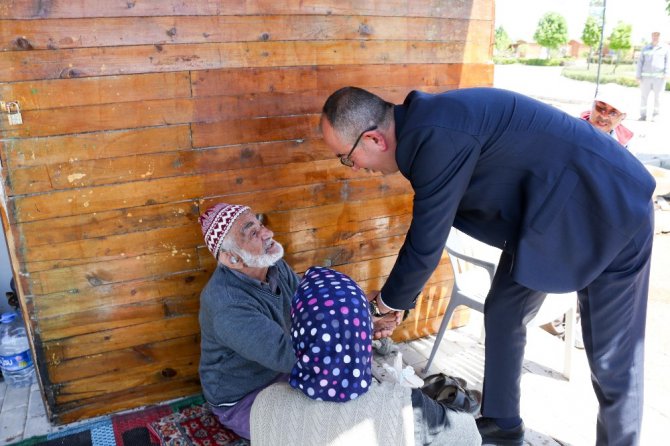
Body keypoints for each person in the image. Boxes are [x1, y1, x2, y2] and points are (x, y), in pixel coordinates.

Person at [320, 87, 655, 446]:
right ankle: (503, 423)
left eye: (346, 157)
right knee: (505, 310)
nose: (353, 168)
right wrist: (395, 303)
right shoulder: (426, 127)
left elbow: (426, 241)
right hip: (546, 218)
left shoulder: (434, 134)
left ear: (373, 138)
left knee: (612, 361)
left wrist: (382, 306)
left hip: (611, 208)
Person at [250, 266, 482, 446]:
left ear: (297, 332)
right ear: (363, 334)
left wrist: (348, 329)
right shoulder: (404, 405)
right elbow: (470, 436)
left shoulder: (266, 403)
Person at [197, 202, 299, 440]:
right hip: (243, 397)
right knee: (307, 430)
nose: (268, 233)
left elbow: (308, 303)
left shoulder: (271, 263)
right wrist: (351, 337)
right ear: (232, 259)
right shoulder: (226, 304)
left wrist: (364, 315)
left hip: (281, 371)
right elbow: (288, 355)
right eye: (253, 233)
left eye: (260, 224)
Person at [636, 31, 669, 121]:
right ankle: (643, 115)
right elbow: (640, 63)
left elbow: (668, 62)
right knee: (643, 97)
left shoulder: (665, 48)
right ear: (651, 36)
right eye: (654, 35)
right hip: (645, 79)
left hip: (659, 79)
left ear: (660, 36)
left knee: (658, 98)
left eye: (657, 35)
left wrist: (667, 73)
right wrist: (638, 76)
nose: (655, 37)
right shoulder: (645, 48)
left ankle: (655, 115)